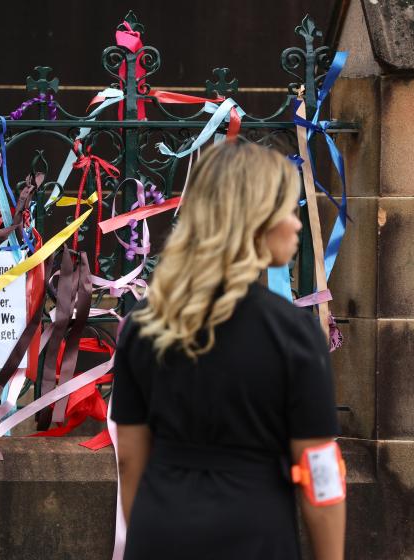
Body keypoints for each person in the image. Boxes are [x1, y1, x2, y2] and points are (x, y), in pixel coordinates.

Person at [112, 141, 345, 560]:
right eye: (289, 211)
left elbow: (129, 458)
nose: (297, 224)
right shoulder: (292, 333)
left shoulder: (146, 324)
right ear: (256, 220)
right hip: (256, 537)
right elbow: (319, 471)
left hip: (159, 533)